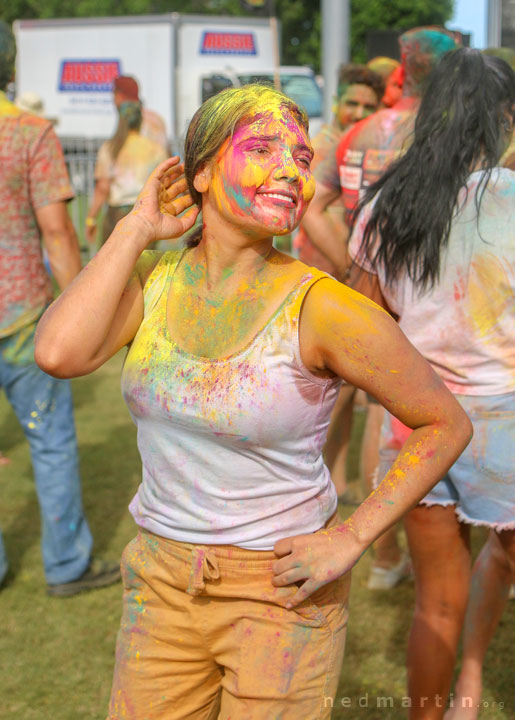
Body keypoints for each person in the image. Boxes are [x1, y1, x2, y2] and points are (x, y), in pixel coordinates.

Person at [34, 84, 471, 720]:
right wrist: (135, 229)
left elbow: (444, 422)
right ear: (202, 173)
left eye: (299, 155)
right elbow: (58, 353)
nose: (290, 170)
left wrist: (351, 536)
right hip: (161, 579)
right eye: (263, 149)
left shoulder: (326, 309)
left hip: (280, 594)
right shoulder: (154, 282)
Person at [348, 48, 515, 720]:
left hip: (418, 422)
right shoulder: (509, 198)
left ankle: (447, 704)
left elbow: (366, 322)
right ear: (500, 117)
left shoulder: (389, 201)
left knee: (434, 601)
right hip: (502, 420)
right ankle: (466, 692)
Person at [302, 26, 458, 590]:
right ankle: (410, 540)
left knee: (380, 405)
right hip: (428, 291)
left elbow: (313, 205)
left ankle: (386, 551)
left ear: (401, 70)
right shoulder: (442, 135)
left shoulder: (360, 132)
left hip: (369, 284)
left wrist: (352, 262)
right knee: (423, 409)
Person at [0, 20, 120, 596]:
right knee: (50, 442)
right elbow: (57, 232)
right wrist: (82, 312)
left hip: (19, 316)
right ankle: (67, 565)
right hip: (22, 316)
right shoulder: (28, 132)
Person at [294, 64, 383, 503]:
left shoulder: (365, 144)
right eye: (352, 103)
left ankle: (340, 476)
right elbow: (314, 212)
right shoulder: (324, 145)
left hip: (347, 274)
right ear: (337, 103)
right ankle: (323, 479)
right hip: (323, 275)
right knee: (328, 389)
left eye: (369, 105)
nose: (358, 112)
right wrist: (351, 269)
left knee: (345, 385)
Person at [86, 100, 167, 248]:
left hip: (117, 216)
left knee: (113, 266)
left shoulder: (111, 148)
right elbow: (166, 183)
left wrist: (91, 219)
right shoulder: (155, 149)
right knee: (145, 266)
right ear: (140, 121)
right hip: (147, 213)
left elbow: (102, 188)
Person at [112, 74, 169, 153]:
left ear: (120, 96)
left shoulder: (131, 121)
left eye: (114, 95)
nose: (113, 101)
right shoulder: (155, 118)